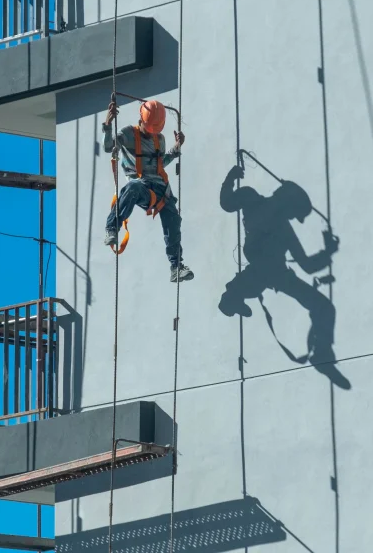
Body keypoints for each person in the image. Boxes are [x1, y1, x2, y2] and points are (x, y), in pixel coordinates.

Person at [218, 165, 349, 390]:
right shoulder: (282, 226)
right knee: (324, 307)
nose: (291, 217)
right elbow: (307, 265)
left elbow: (226, 202)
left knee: (255, 280)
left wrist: (231, 177)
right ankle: (322, 352)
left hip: (265, 271)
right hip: (275, 274)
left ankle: (233, 295)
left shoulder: (252, 199)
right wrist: (328, 252)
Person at [103, 99, 194, 282]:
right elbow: (108, 147)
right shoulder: (128, 134)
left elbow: (161, 163)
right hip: (142, 185)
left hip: (161, 189)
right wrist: (108, 124)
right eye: (149, 128)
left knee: (173, 222)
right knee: (133, 187)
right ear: (141, 119)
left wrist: (176, 148)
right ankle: (112, 228)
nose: (151, 132)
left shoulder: (159, 138)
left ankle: (176, 266)